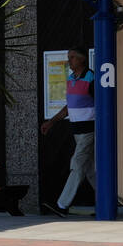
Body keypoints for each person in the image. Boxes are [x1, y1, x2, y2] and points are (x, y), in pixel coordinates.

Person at [40, 45, 95, 216]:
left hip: (90, 131)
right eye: (68, 56)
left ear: (82, 59)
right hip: (77, 132)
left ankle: (62, 205)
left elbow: (104, 103)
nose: (69, 60)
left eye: (72, 57)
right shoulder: (71, 79)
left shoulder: (92, 78)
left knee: (77, 164)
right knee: (90, 169)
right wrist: (51, 122)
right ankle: (107, 200)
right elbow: (68, 108)